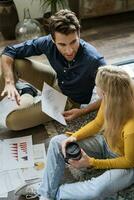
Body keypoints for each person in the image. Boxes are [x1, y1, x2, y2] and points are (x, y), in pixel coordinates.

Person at [15, 65, 134, 200]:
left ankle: (45, 190)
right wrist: (75, 137)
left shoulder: (131, 127)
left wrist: (92, 162)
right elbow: (97, 124)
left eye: (97, 86)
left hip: (127, 164)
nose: (96, 89)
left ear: (105, 92)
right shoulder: (110, 100)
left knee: (95, 191)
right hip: (105, 144)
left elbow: (129, 161)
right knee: (57, 142)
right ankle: (46, 194)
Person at [0, 9, 106, 130]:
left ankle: (27, 92)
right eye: (62, 45)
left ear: (79, 34)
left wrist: (83, 111)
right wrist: (9, 83)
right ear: (53, 39)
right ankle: (23, 89)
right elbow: (8, 51)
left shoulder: (94, 60)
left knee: (12, 122)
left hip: (69, 100)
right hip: (55, 79)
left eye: (73, 42)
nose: (69, 50)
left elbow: (112, 95)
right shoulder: (47, 42)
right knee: (17, 64)